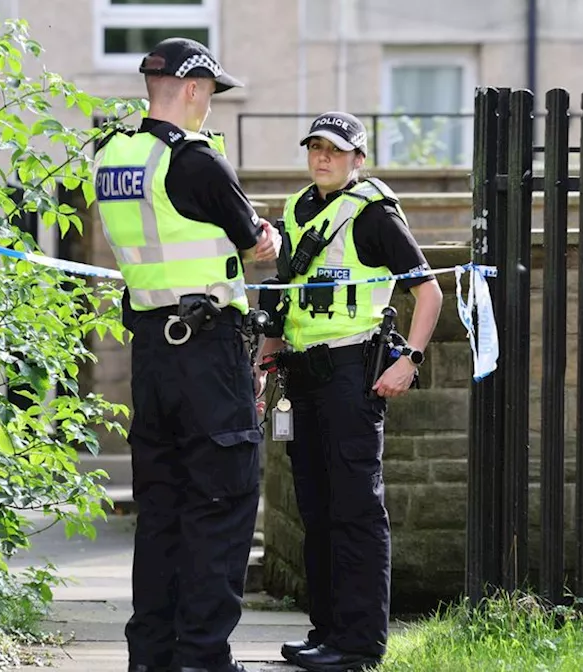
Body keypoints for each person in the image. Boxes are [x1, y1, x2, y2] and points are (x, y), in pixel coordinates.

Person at [89, 37, 283, 672]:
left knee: (163, 506)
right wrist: (267, 239)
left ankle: (152, 655)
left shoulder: (112, 155)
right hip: (206, 352)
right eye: (211, 93)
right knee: (223, 501)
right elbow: (256, 243)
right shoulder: (196, 161)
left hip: (151, 352)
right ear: (194, 88)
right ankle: (202, 657)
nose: (210, 106)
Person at [254, 112, 443, 672]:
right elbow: (281, 290)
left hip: (350, 374)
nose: (322, 158)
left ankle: (360, 645)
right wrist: (269, 351)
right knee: (316, 507)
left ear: (358, 159)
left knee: (357, 510)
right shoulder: (297, 207)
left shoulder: (374, 213)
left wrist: (409, 359)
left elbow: (428, 292)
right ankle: (327, 633)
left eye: (335, 150)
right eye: (314, 148)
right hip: (303, 372)